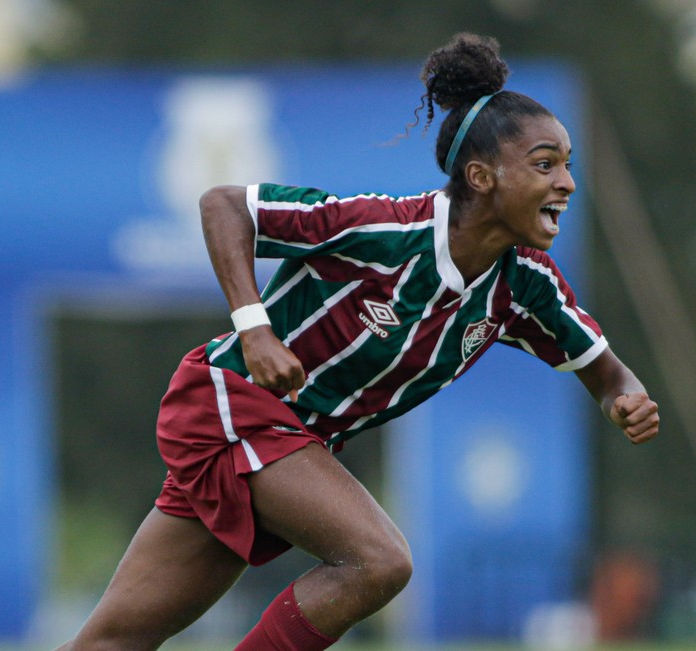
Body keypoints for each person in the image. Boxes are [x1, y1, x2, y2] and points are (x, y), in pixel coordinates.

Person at [58, 32, 660, 651]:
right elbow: (223, 206)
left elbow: (607, 373)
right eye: (544, 164)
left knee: (115, 640)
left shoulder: (525, 284)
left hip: (285, 443)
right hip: (230, 405)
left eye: (566, 163)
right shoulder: (382, 231)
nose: (566, 181)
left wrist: (627, 398)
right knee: (379, 561)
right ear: (480, 176)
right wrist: (255, 327)